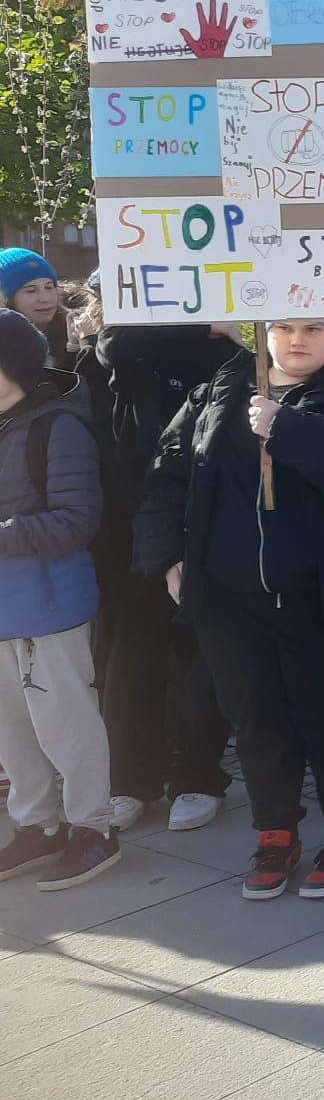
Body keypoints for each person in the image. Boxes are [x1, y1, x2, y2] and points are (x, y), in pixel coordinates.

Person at [135, 320, 324, 899]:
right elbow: (168, 476)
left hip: (323, 600)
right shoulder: (220, 389)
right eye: (283, 327)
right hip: (231, 602)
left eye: (312, 328)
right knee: (257, 723)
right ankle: (275, 833)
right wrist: (166, 560)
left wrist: (288, 428)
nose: (296, 340)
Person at [94, 321, 239, 834]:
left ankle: (198, 777)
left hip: (208, 525)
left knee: (204, 663)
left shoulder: (234, 347)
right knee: (131, 666)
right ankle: (131, 781)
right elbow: (112, 345)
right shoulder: (133, 345)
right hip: (131, 530)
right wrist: (200, 323)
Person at [0, 310, 122, 890]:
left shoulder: (58, 426)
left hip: (49, 606)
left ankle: (94, 827)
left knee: (67, 725)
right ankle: (37, 826)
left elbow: (77, 520)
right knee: (11, 730)